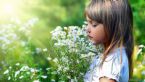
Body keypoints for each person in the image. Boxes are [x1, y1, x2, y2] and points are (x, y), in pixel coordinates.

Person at [84, 0, 134, 82]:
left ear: (114, 26)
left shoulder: (112, 61)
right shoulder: (114, 56)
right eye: (87, 23)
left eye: (94, 25)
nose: (87, 29)